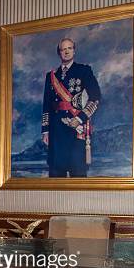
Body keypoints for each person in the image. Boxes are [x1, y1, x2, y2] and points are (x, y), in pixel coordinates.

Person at [41, 37, 101, 177]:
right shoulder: (51, 76)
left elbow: (95, 97)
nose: (66, 52)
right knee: (56, 172)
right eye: (63, 49)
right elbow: (46, 105)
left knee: (77, 172)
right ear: (59, 53)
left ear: (74, 51)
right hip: (56, 130)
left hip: (76, 129)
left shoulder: (84, 71)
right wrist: (45, 131)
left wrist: (80, 118)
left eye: (69, 48)